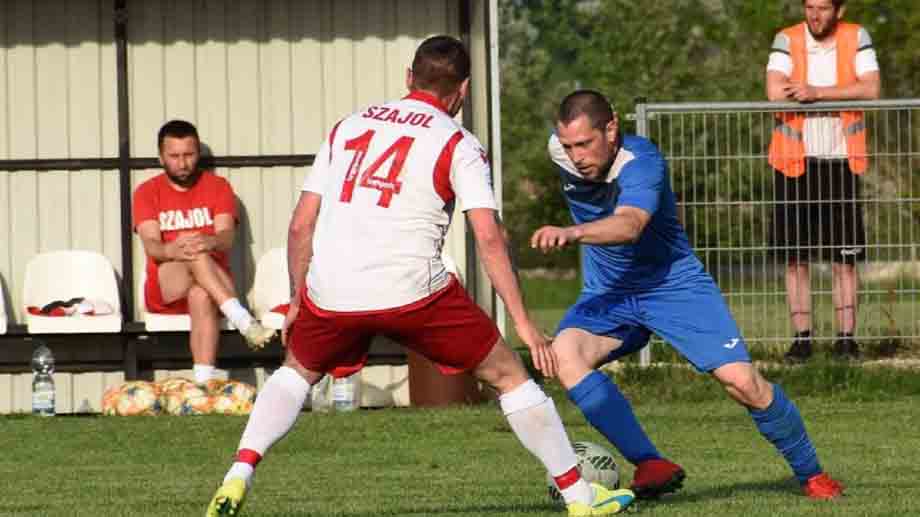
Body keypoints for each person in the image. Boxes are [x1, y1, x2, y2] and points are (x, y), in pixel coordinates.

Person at [205, 37, 635, 517]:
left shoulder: (348, 125)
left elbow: (300, 225)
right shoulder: (457, 142)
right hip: (413, 291)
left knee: (296, 372)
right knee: (510, 376)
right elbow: (489, 237)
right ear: (463, 90)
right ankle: (580, 499)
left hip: (333, 289)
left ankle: (237, 475)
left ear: (409, 77)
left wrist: (298, 300)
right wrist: (524, 324)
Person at [530, 89, 845, 500]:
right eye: (569, 146)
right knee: (565, 356)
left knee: (742, 383)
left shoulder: (642, 162)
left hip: (672, 286)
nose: (577, 156)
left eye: (586, 144)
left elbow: (630, 225)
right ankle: (650, 463)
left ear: (611, 129)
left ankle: (812, 474)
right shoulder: (560, 150)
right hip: (610, 292)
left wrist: (572, 232)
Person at [766, 0, 881, 361]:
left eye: (824, 8)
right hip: (792, 162)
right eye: (810, 7)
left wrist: (816, 93)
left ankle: (846, 340)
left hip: (841, 160)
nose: (815, 15)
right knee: (795, 258)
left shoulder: (856, 36)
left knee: (844, 259)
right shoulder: (786, 39)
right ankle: (802, 340)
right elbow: (775, 92)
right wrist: (843, 90)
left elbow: (870, 89)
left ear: (839, 10)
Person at [133, 120, 276, 383]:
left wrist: (208, 242)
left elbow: (226, 238)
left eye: (189, 155)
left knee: (201, 292)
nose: (182, 163)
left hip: (213, 288)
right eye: (174, 156)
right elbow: (152, 246)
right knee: (193, 251)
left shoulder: (218, 187)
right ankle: (244, 321)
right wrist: (173, 249)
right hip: (168, 286)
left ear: (198, 153)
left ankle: (203, 383)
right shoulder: (147, 192)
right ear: (161, 157)